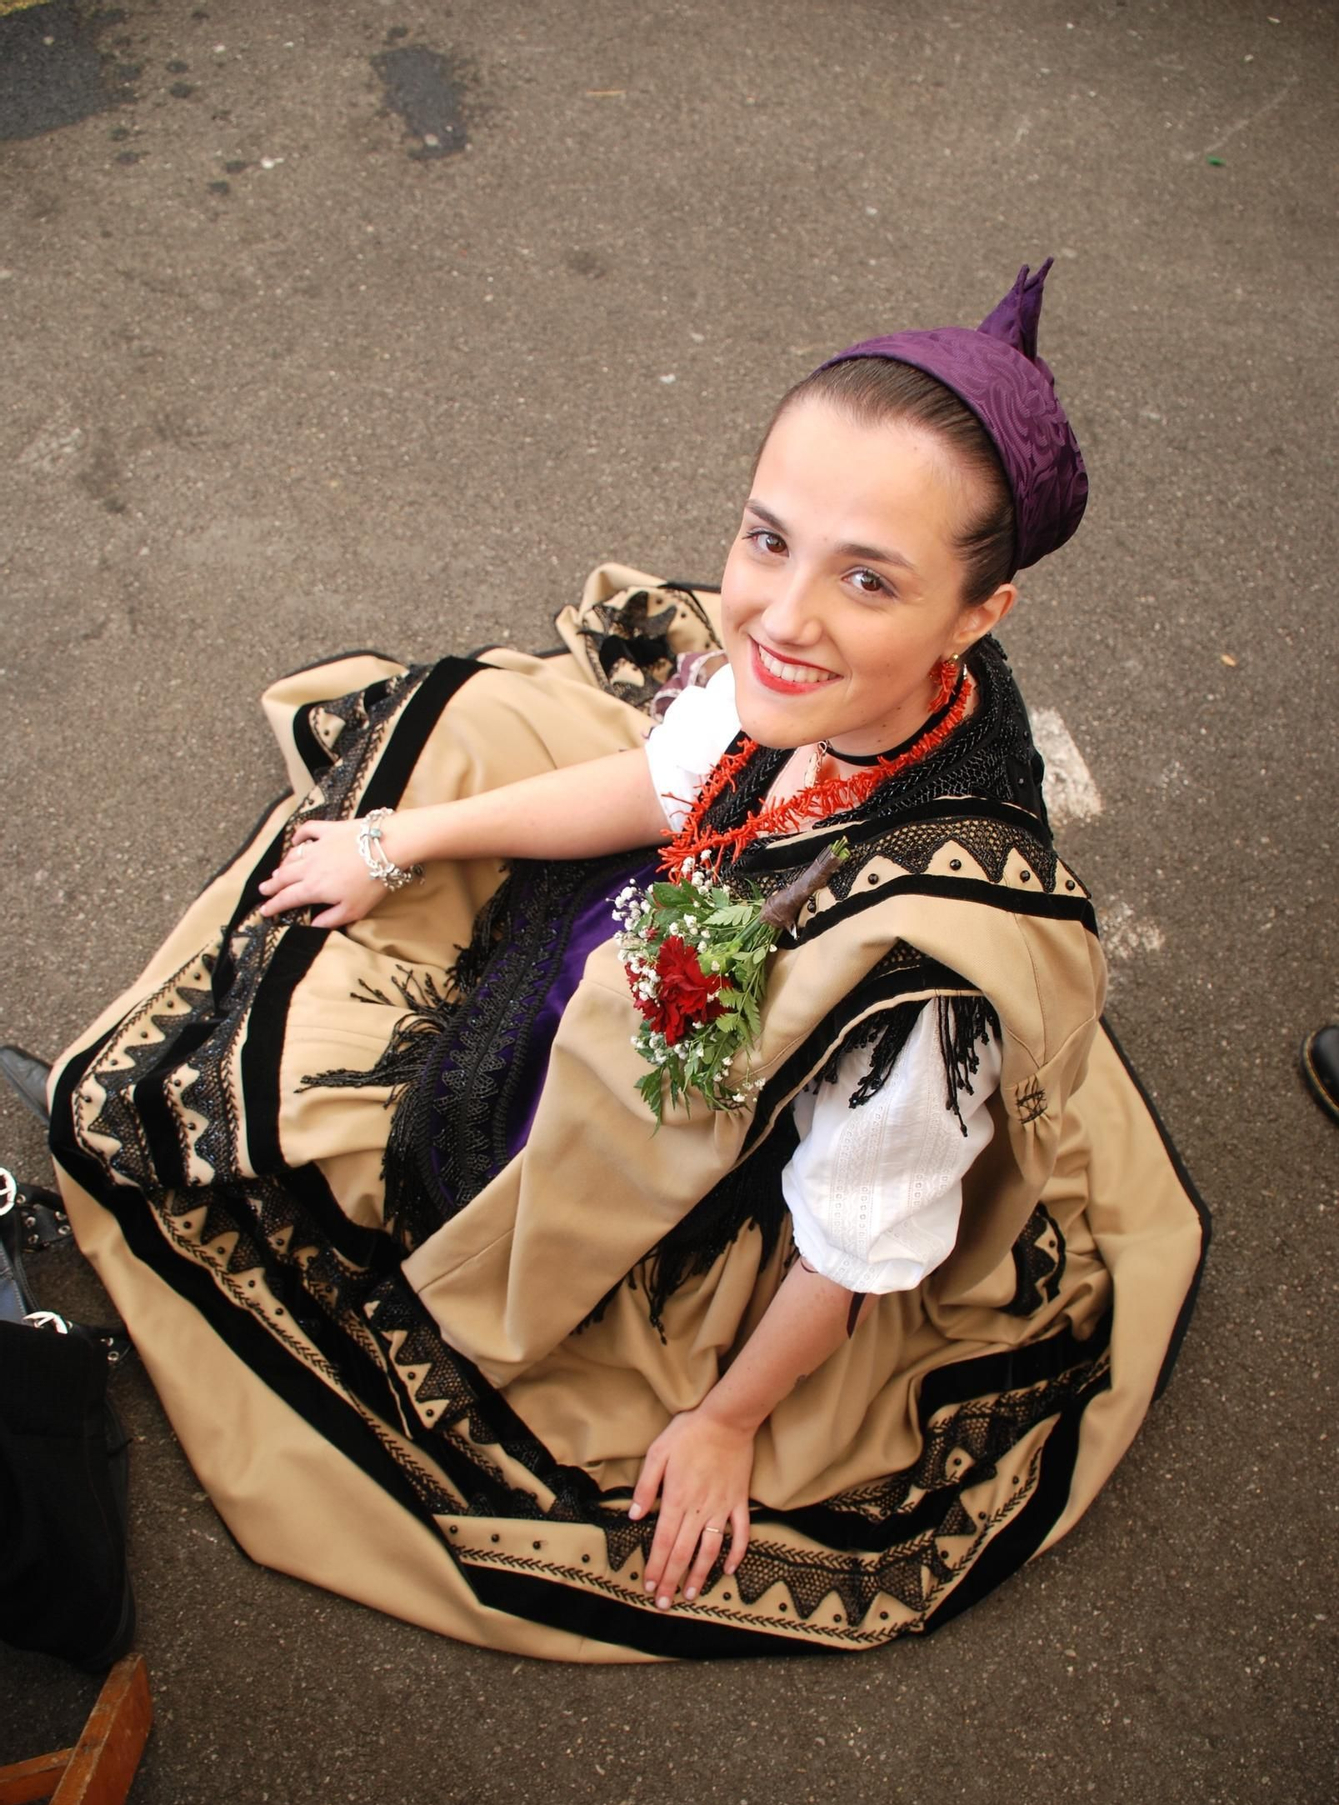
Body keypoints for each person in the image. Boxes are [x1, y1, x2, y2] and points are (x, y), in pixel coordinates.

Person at [45, 262, 1207, 1660]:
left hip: (755, 1147)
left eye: (869, 579)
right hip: (688, 951)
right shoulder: (800, 694)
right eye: (767, 539)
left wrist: (724, 1420)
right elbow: (671, 789)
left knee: (282, 1157)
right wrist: (399, 843)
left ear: (977, 621)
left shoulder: (915, 1004)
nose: (779, 621)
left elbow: (852, 1241)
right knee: (430, 781)